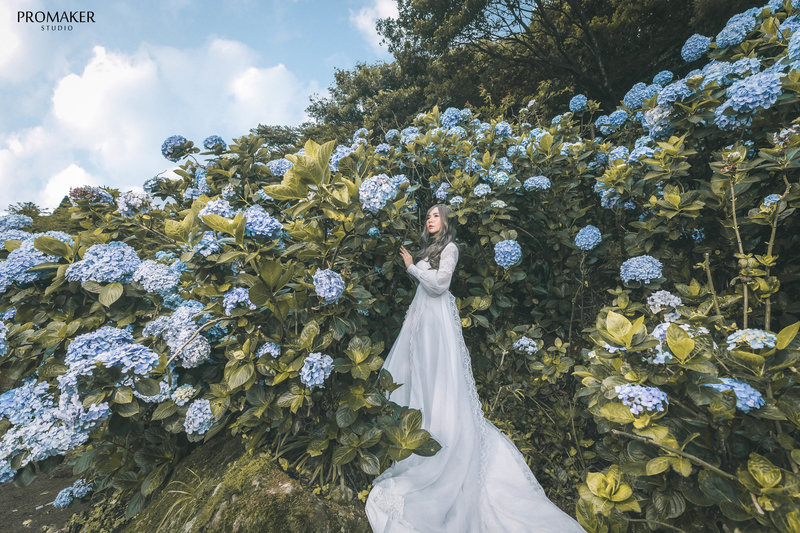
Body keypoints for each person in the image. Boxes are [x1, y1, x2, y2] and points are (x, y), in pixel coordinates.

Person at [365, 203, 586, 533]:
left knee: (438, 378)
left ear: (447, 221)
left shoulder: (450, 248)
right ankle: (416, 427)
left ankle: (442, 430)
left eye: (435, 215)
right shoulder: (431, 248)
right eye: (428, 216)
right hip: (421, 321)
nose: (430, 219)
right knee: (420, 378)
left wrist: (411, 267)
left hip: (437, 323)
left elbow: (439, 285)